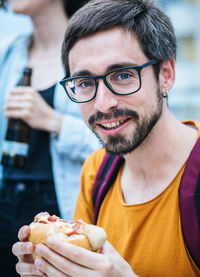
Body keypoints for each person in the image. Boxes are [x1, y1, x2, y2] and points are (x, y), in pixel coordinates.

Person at [12, 0, 200, 276]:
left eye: (123, 75)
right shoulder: (96, 171)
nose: (102, 104)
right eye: (86, 83)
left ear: (166, 75)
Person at [0, 0, 99, 276]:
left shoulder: (91, 51)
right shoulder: (8, 52)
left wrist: (52, 122)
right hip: (7, 196)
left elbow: (118, 145)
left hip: (61, 207)